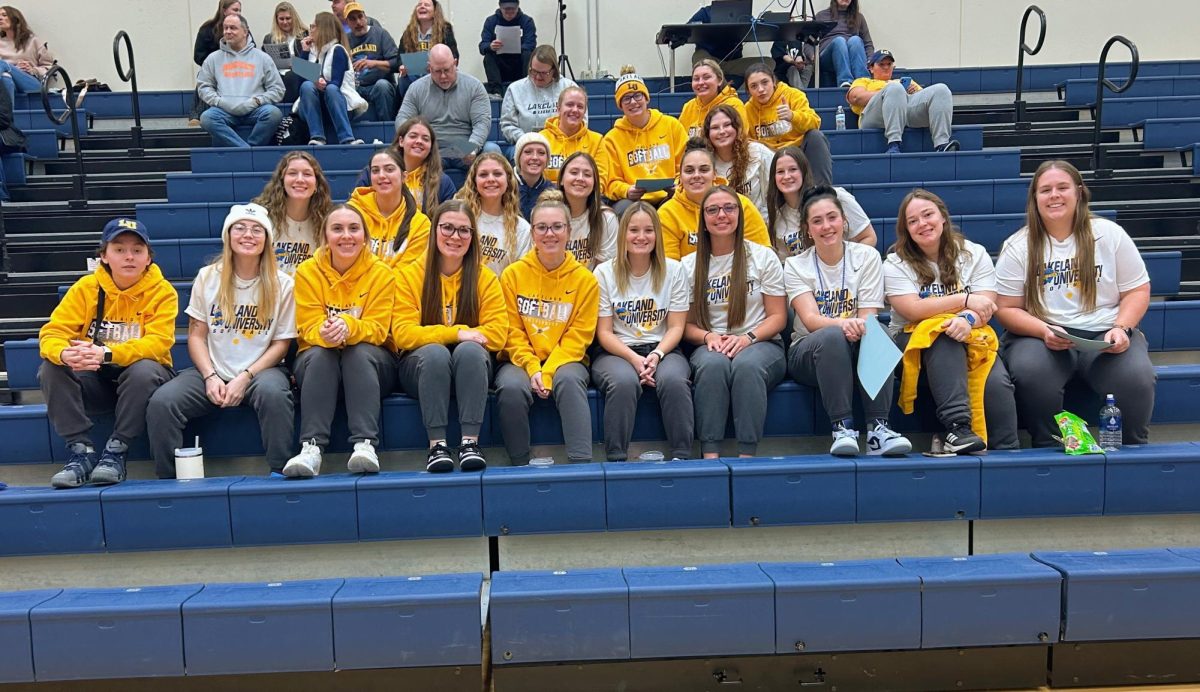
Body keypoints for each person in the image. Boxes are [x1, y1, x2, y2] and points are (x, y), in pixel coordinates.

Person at [995, 160, 1154, 448]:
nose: (1054, 195)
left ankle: (1132, 448)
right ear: (1035, 199)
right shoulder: (1018, 245)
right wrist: (1043, 330)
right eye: (1045, 190)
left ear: (1079, 192)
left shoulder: (1109, 234)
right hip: (1043, 334)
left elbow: (1138, 290)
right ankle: (1048, 445)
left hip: (1105, 331)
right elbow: (1006, 308)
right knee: (1032, 373)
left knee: (1136, 378)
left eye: (1062, 187)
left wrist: (1122, 328)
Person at [146, 204, 297, 478]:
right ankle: (167, 479)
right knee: (162, 402)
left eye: (256, 230)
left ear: (267, 240)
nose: (247, 235)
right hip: (213, 369)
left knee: (274, 395)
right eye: (239, 228)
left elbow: (281, 345)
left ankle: (279, 471)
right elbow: (196, 335)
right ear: (228, 235)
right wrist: (210, 376)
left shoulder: (283, 283)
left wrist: (246, 377)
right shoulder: (208, 277)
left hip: (261, 370)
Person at [38, 219, 177, 488]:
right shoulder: (85, 288)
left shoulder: (163, 292)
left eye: (137, 250)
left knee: (144, 369)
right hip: (96, 379)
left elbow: (158, 343)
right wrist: (65, 353)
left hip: (142, 381)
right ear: (104, 255)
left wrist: (107, 353)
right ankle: (81, 452)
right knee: (50, 366)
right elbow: (51, 333)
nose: (129, 257)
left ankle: (116, 452)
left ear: (148, 258)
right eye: (119, 249)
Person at [884, 189, 1018, 452]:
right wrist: (965, 301)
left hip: (970, 334)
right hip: (910, 343)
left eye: (928, 214)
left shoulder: (973, 253)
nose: (922, 224)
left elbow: (988, 302)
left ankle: (1006, 453)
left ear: (943, 216)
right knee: (942, 334)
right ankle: (959, 428)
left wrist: (967, 319)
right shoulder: (894, 263)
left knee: (997, 385)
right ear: (906, 229)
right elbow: (912, 309)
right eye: (913, 221)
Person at [783, 186, 910, 457]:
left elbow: (868, 314)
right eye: (817, 221)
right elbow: (810, 319)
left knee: (880, 333)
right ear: (807, 229)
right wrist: (844, 326)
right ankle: (842, 428)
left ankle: (878, 430)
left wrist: (858, 327)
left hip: (857, 340)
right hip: (809, 350)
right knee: (831, 337)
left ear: (844, 221)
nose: (826, 226)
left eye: (832, 218)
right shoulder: (795, 265)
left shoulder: (867, 256)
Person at [393, 200, 508, 472]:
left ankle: (470, 443)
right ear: (434, 232)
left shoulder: (484, 278)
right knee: (435, 352)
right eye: (447, 228)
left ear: (472, 237)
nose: (455, 237)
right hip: (420, 368)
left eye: (463, 231)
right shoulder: (409, 276)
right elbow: (402, 334)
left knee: (469, 351)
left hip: (470, 368)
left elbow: (499, 334)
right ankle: (438, 446)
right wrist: (457, 333)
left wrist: (463, 341)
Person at [285, 205, 397, 477]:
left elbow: (380, 330)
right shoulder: (307, 272)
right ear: (325, 237)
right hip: (319, 359)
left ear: (365, 236)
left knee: (356, 353)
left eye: (353, 228)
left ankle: (365, 444)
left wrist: (348, 326)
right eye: (337, 229)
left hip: (372, 362)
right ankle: (311, 449)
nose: (346, 236)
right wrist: (323, 333)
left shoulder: (382, 273)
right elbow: (306, 326)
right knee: (322, 354)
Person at [683, 185, 787, 459]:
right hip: (711, 344)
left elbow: (777, 316)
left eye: (729, 208)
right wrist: (708, 338)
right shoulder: (687, 265)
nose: (721, 215)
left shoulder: (763, 257)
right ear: (703, 219)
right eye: (713, 210)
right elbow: (686, 325)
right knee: (714, 365)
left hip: (761, 342)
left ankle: (747, 457)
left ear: (740, 215)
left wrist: (747, 338)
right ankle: (710, 457)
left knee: (747, 366)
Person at [496, 191, 599, 464]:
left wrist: (549, 370)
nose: (549, 234)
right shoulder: (512, 275)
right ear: (532, 233)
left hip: (567, 359)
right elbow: (511, 331)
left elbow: (579, 337)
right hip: (520, 360)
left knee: (568, 380)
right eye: (542, 227)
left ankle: (581, 465)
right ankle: (518, 465)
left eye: (557, 226)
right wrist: (532, 368)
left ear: (569, 230)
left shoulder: (585, 280)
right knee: (510, 387)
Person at [593, 203, 693, 461]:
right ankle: (616, 459)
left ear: (657, 235)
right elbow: (604, 333)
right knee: (624, 383)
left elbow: (677, 327)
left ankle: (682, 458)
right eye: (634, 230)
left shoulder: (674, 269)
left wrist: (657, 355)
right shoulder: (604, 272)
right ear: (622, 233)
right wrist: (635, 359)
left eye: (649, 230)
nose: (641, 237)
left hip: (664, 348)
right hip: (616, 351)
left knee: (673, 381)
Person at [658, 141, 770, 260]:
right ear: (680, 177)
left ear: (715, 174)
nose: (696, 175)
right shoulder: (667, 213)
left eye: (704, 170)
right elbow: (670, 268)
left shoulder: (741, 204)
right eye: (689, 171)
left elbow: (763, 256)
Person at [600, 70, 688, 213]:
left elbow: (686, 165)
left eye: (637, 95)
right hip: (634, 201)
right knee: (623, 210)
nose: (633, 102)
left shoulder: (672, 126)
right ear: (620, 105)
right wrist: (627, 190)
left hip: (670, 195)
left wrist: (678, 184)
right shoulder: (611, 139)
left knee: (681, 204)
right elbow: (610, 182)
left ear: (646, 98)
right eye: (626, 98)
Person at [396, 43, 491, 171]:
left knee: (492, 151)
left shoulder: (474, 87)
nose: (443, 76)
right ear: (429, 68)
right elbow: (403, 119)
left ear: (455, 64)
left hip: (465, 145)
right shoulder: (416, 89)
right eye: (437, 71)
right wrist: (416, 142)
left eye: (447, 70)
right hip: (432, 148)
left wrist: (471, 147)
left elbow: (482, 123)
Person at [766, 146, 875, 257]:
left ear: (803, 171)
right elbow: (785, 262)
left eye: (793, 169)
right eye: (780, 172)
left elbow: (869, 237)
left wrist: (847, 266)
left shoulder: (836, 197)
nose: (787, 176)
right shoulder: (776, 217)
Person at [197, 14, 284, 148]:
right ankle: (246, 150)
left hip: (255, 109)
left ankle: (251, 146)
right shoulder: (213, 58)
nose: (228, 32)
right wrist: (219, 101)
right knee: (207, 118)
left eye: (233, 28)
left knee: (274, 114)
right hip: (224, 110)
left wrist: (257, 101)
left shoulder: (263, 58)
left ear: (245, 32)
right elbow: (204, 86)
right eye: (225, 28)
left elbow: (278, 89)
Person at [847, 49, 958, 154]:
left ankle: (942, 145)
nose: (886, 67)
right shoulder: (863, 81)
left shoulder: (901, 82)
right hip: (873, 117)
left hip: (903, 113)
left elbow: (929, 104)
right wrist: (887, 92)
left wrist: (913, 93)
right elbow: (855, 97)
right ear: (871, 68)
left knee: (941, 89)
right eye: (881, 64)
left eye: (889, 64)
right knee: (895, 88)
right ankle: (893, 145)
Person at [743, 63, 832, 187]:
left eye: (765, 82)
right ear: (748, 91)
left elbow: (815, 122)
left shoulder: (793, 95)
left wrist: (792, 116)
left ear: (773, 81)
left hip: (798, 150)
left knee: (815, 136)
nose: (761, 89)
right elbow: (745, 140)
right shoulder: (747, 109)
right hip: (770, 156)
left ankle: (822, 191)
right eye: (754, 86)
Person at [348, 148, 432, 269]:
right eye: (375, 171)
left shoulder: (420, 225)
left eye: (389, 169)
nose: (382, 175)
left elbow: (408, 277)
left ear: (404, 177)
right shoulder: (352, 213)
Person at [252, 151, 333, 276]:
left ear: (316, 184)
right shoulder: (262, 218)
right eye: (292, 173)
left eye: (307, 174)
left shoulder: (327, 222)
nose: (300, 179)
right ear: (282, 181)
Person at [455, 151, 531, 276]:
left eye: (497, 174)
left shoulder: (522, 229)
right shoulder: (460, 217)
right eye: (483, 175)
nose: (491, 179)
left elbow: (520, 277)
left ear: (508, 180)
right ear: (474, 181)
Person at [296, 12, 365, 146]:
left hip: (338, 106)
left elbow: (336, 83)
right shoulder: (310, 51)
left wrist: (318, 81)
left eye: (313, 26)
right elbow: (300, 85)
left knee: (332, 88)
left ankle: (347, 138)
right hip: (314, 109)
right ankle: (317, 137)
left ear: (323, 29)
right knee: (306, 86)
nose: (311, 29)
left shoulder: (338, 50)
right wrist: (304, 52)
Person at [498, 44, 574, 157]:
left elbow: (582, 121)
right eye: (534, 71)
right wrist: (526, 139)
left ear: (554, 70)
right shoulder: (515, 89)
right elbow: (507, 125)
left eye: (544, 73)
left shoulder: (569, 88)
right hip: (525, 145)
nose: (538, 77)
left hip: (562, 143)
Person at [702, 104, 773, 218]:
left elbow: (773, 197)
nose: (722, 131)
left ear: (737, 127)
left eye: (727, 125)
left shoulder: (759, 153)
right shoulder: (704, 162)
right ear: (707, 134)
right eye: (715, 127)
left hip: (758, 224)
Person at [685, 4, 769, 87]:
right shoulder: (705, 12)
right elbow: (686, 30)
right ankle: (724, 92)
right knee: (699, 56)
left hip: (733, 63)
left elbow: (754, 27)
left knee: (768, 62)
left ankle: (742, 93)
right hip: (710, 61)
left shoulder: (743, 13)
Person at [559, 152, 617, 269]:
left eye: (587, 174)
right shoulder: (548, 216)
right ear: (561, 180)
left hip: (590, 285)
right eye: (574, 172)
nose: (580, 178)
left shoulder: (606, 218)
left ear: (595, 182)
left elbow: (604, 272)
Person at [191, 0, 244, 125]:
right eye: (235, 10)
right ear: (224, 10)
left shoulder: (243, 28)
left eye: (239, 10)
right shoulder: (207, 29)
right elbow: (198, 55)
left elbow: (249, 50)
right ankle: (196, 116)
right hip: (214, 68)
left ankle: (197, 115)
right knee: (205, 77)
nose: (239, 13)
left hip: (237, 68)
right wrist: (215, 64)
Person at [388, 116, 456, 214]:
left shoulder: (443, 183)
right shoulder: (378, 173)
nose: (419, 141)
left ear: (431, 146)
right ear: (401, 141)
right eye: (413, 136)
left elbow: (449, 221)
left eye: (425, 139)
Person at [343, 1, 399, 121]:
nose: (358, 22)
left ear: (365, 16)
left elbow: (396, 63)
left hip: (378, 85)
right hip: (356, 88)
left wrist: (374, 63)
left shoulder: (380, 34)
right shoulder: (345, 40)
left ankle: (387, 131)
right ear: (347, 23)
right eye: (353, 19)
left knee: (382, 86)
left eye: (360, 17)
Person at [397, 0, 459, 104]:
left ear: (435, 11)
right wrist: (402, 66)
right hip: (414, 75)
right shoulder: (408, 31)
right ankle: (411, 111)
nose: (422, 7)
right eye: (419, 5)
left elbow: (454, 55)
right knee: (404, 79)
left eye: (426, 5)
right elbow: (399, 57)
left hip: (437, 72)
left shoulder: (445, 29)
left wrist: (437, 66)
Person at [539, 85, 601, 184]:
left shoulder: (597, 141)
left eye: (580, 106)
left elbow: (599, 180)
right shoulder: (541, 139)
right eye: (570, 104)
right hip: (548, 197)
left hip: (583, 196)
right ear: (559, 109)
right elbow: (536, 179)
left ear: (584, 112)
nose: (575, 110)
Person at [479, 0, 536, 97]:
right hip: (500, 64)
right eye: (506, 10)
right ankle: (496, 92)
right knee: (488, 56)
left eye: (513, 10)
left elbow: (531, 44)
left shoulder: (527, 21)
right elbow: (482, 46)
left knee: (528, 54)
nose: (510, 13)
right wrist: (491, 46)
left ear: (518, 7)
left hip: (520, 63)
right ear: (500, 8)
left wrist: (518, 47)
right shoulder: (491, 21)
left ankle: (527, 89)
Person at [678, 59, 747, 139]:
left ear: (719, 80)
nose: (700, 82)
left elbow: (739, 139)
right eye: (696, 79)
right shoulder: (688, 107)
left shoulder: (734, 105)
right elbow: (680, 141)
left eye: (706, 77)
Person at [813, 0, 873, 88]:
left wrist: (871, 61)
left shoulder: (859, 17)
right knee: (839, 41)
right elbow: (808, 41)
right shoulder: (821, 16)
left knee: (855, 40)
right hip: (827, 58)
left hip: (850, 54)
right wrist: (812, 55)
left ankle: (863, 81)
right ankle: (845, 81)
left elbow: (868, 43)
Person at [0, 6, 53, 102]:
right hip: (10, 83)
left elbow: (49, 67)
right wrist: (15, 68)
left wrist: (33, 70)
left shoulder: (33, 41)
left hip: (31, 82)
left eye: (4, 15)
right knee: (5, 78)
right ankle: (8, 117)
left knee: (2, 64)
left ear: (15, 18)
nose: (0, 18)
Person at [262, 2, 308, 104]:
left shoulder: (305, 35)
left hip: (299, 72)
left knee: (290, 76)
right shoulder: (269, 39)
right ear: (276, 20)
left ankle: (288, 112)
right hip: (277, 72)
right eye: (281, 19)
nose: (285, 22)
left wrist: (296, 64)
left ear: (294, 18)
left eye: (288, 18)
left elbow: (312, 67)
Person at [513, 132, 554, 220]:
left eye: (541, 153)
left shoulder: (552, 192)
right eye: (528, 152)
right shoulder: (505, 187)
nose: (535, 157)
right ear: (518, 157)